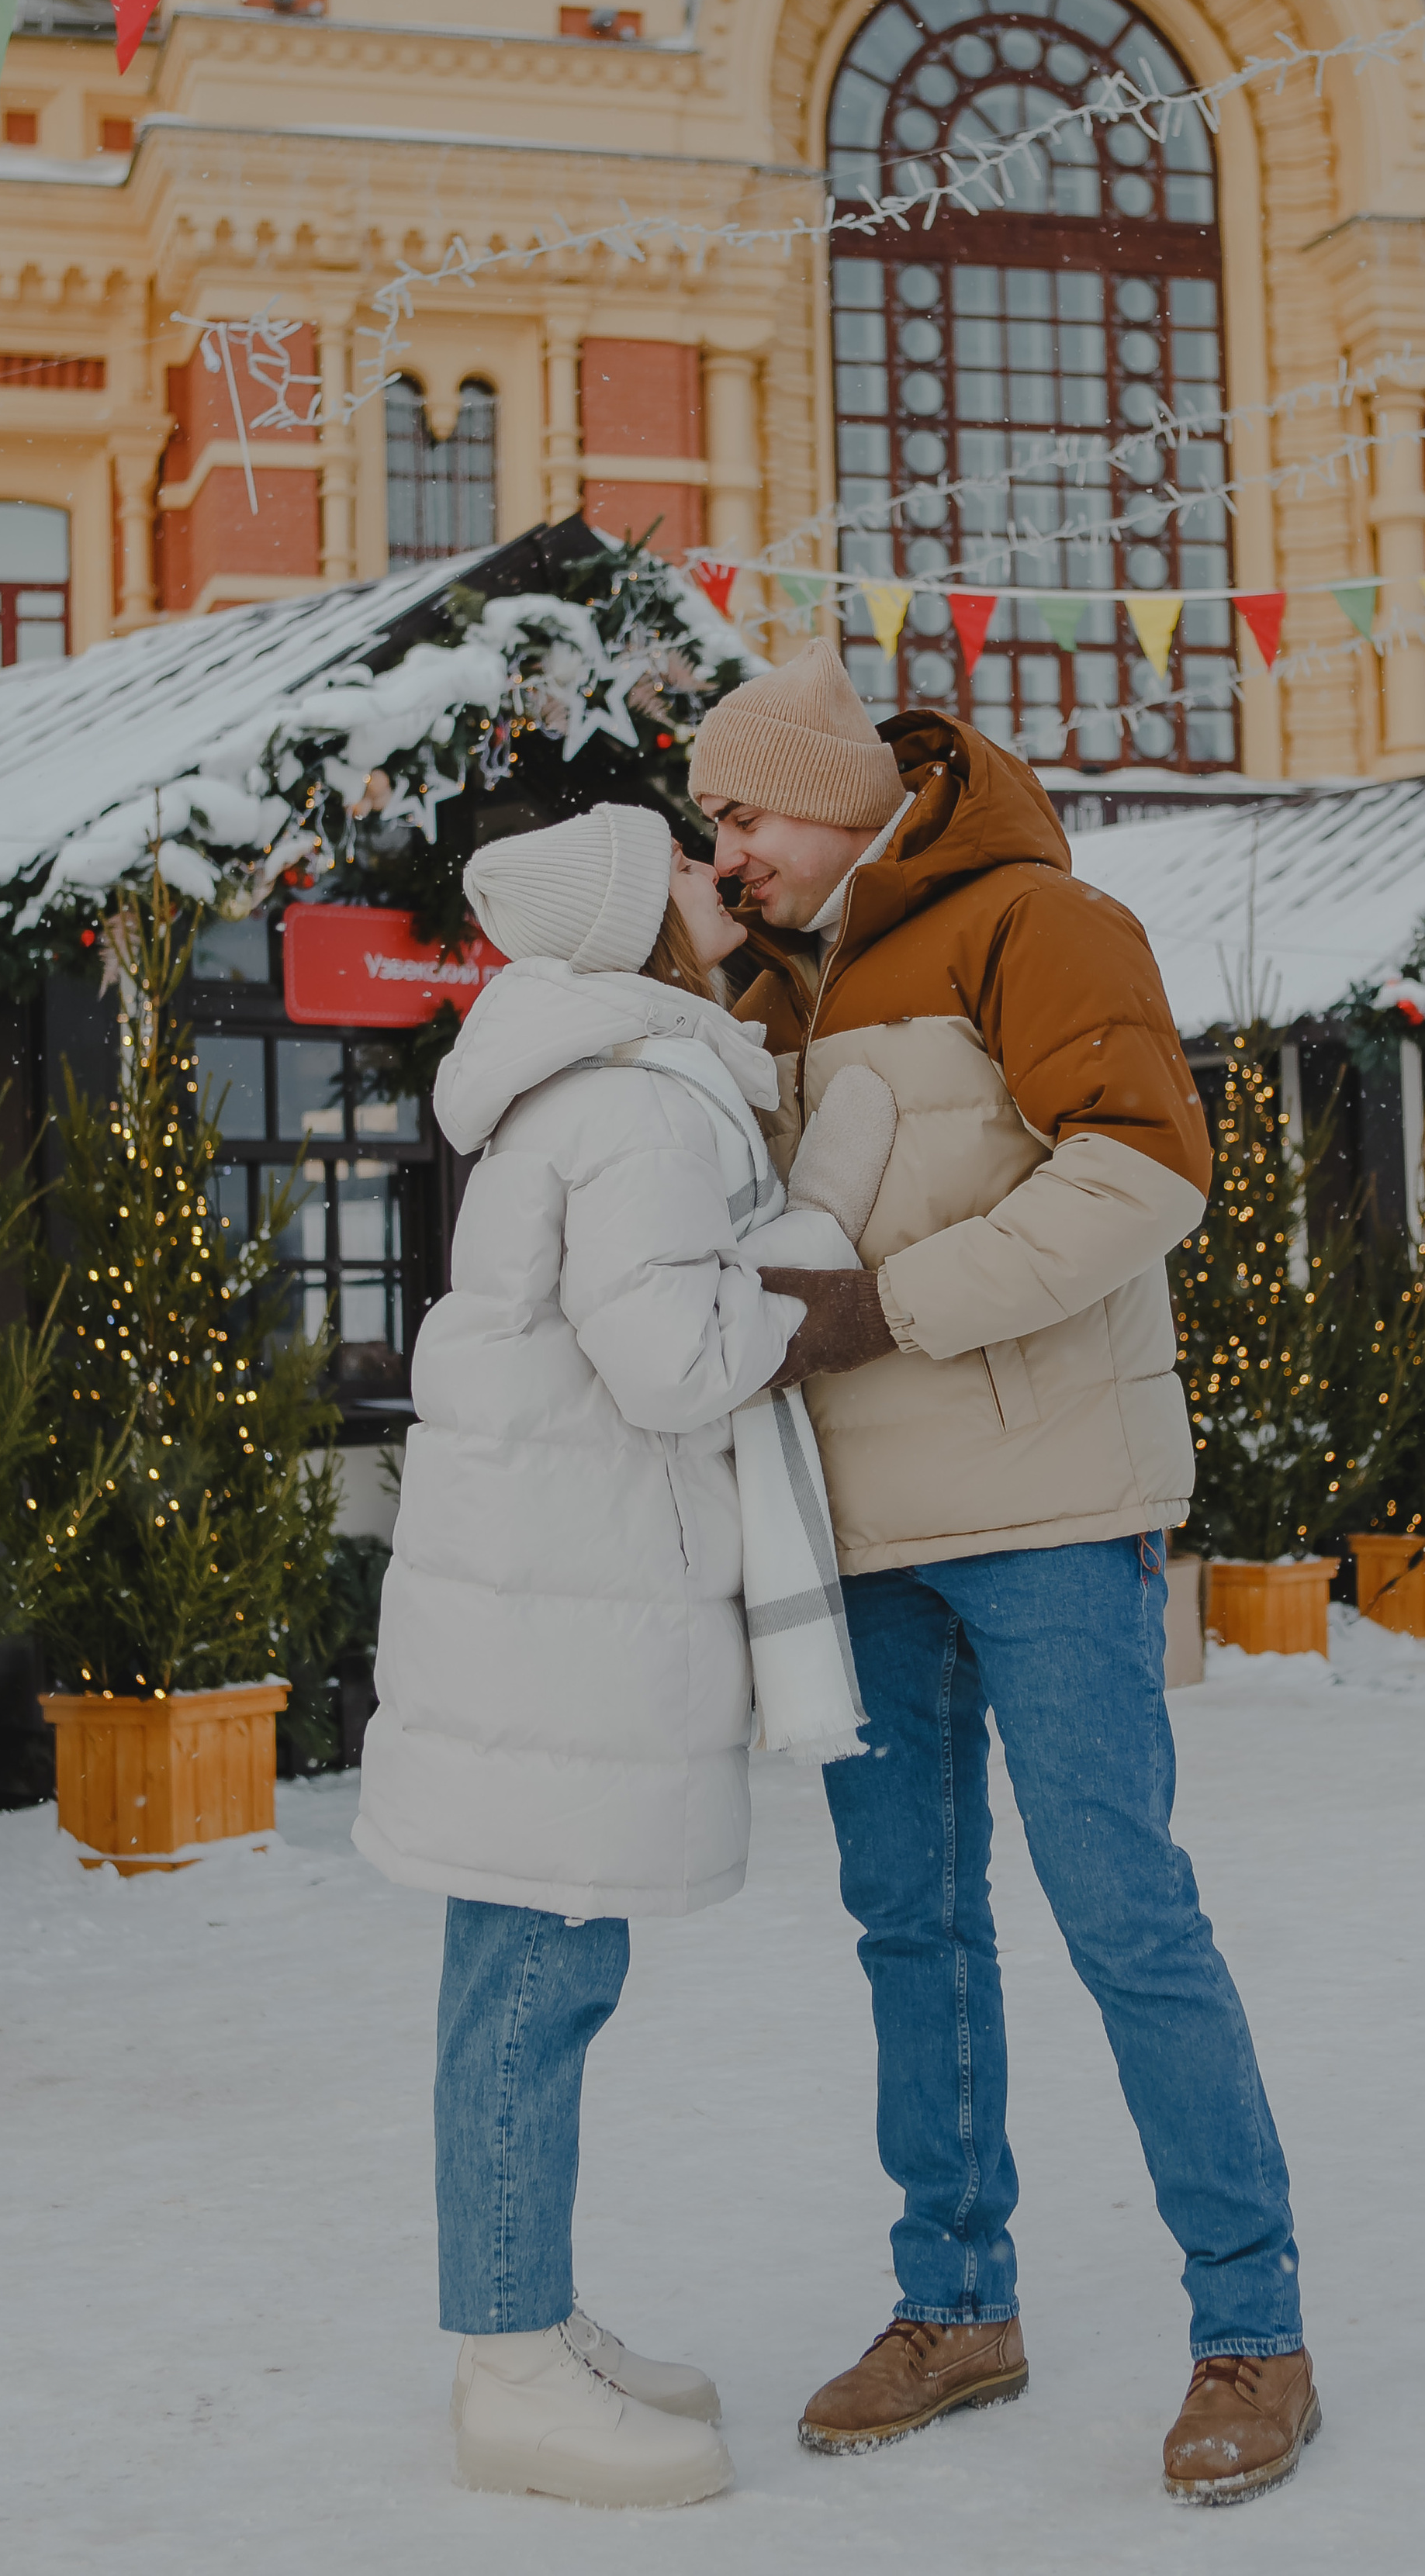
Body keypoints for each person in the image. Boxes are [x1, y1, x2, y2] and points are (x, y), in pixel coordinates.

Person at [685, 640, 1320, 2509]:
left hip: (1046, 1509)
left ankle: (1252, 2334)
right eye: (706, 823)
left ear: (836, 784)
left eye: (741, 812)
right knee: (912, 1931)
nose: (722, 851)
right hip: (863, 1535)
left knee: (1123, 1918)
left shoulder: (1037, 921)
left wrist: (885, 1309)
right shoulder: (774, 985)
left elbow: (1143, 1170)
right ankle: (953, 2307)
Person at [353, 800, 891, 2509]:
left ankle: (529, 2315)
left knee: (524, 1974)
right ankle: (510, 2364)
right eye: (677, 862)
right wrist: (809, 1275)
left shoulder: (571, 1081)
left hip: (540, 1605)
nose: (712, 876)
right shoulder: (641, 1100)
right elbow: (672, 1360)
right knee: (533, 1987)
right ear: (622, 928)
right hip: (565, 1619)